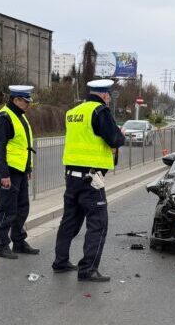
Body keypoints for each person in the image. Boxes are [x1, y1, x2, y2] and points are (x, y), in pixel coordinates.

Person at [52, 79, 125, 282]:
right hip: (91, 179)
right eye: (109, 95)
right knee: (98, 223)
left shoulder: (74, 112)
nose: (109, 99)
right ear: (104, 95)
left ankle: (60, 261)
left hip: (71, 176)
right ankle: (88, 269)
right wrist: (121, 135)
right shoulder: (99, 111)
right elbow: (115, 139)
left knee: (69, 221)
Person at [0, 85, 39, 258]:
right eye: (26, 101)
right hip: (9, 172)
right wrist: (3, 174)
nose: (28, 105)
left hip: (20, 171)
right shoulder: (4, 117)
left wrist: (28, 168)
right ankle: (1, 245)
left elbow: (23, 146)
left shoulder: (19, 116)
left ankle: (18, 241)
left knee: (22, 209)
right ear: (16, 100)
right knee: (7, 210)